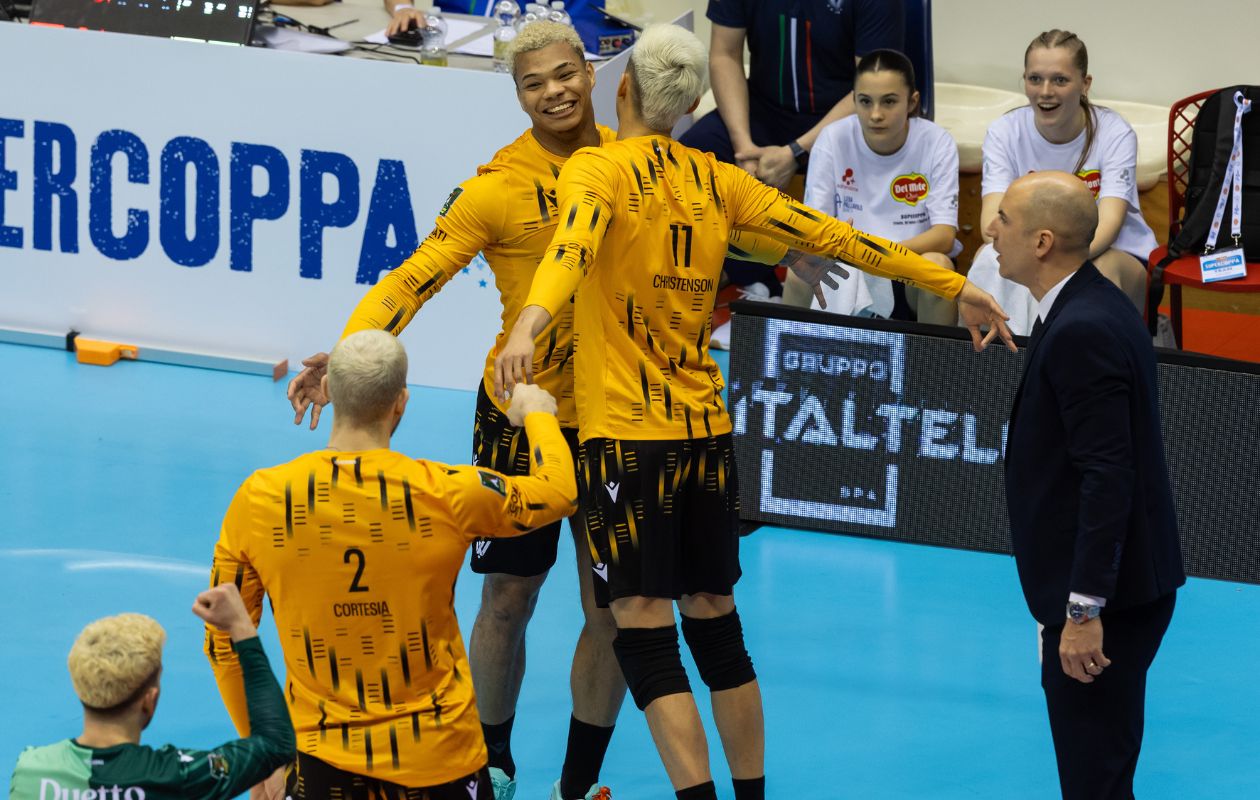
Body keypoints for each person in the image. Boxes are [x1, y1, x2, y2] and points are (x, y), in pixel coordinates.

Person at [495, 24, 1014, 800]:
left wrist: (529, 325)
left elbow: (571, 248)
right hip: (706, 434)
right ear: (692, 106)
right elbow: (841, 239)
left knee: (643, 632)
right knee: (718, 628)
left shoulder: (594, 168)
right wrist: (956, 285)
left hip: (628, 438)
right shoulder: (717, 181)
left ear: (623, 90)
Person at [286, 22, 625, 800]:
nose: (555, 92)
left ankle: (578, 787)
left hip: (618, 419)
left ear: (589, 72)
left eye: (565, 74)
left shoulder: (630, 163)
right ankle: (490, 767)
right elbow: (414, 277)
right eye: (535, 83)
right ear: (518, 95)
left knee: (609, 610)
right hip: (519, 415)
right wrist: (349, 355)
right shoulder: (496, 188)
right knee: (507, 598)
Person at [208, 331, 577, 800]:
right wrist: (539, 416)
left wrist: (265, 752)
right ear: (401, 402)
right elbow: (559, 492)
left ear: (331, 392)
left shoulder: (260, 499)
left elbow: (222, 641)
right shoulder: (448, 493)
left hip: (319, 764)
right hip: (442, 760)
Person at [991, 171, 1185, 800]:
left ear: (1042, 242)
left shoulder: (1082, 330)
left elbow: (1107, 478)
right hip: (1116, 589)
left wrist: (1083, 610)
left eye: (1005, 220)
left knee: (1094, 781)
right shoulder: (1093, 302)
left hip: (1109, 603)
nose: (990, 229)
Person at [681, 0, 903, 296]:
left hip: (842, 117)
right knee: (691, 156)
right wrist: (743, 146)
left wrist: (796, 152)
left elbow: (873, 88)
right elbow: (725, 55)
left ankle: (778, 279)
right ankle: (745, 276)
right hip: (762, 109)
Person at [10, 584, 295, 800]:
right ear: (150, 700)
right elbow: (275, 743)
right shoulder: (175, 776)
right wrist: (241, 627)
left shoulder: (31, 769)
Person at [972, 29, 1155, 333]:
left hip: (1111, 251)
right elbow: (989, 224)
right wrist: (1037, 259)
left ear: (1085, 84)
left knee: (1097, 274)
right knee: (985, 257)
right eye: (1035, 79)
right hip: (1033, 251)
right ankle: (994, 358)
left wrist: (1051, 261)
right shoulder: (1004, 132)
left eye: (1060, 80)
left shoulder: (1114, 133)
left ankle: (1093, 361)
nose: (1045, 91)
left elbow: (1107, 227)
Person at [783, 48, 960, 324]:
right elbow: (814, 229)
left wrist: (878, 256)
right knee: (798, 270)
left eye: (889, 101)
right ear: (854, 100)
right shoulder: (832, 138)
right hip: (847, 264)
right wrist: (860, 258)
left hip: (908, 266)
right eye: (865, 101)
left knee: (939, 269)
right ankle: (784, 350)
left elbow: (944, 236)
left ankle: (935, 355)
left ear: (912, 102)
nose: (876, 114)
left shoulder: (937, 142)